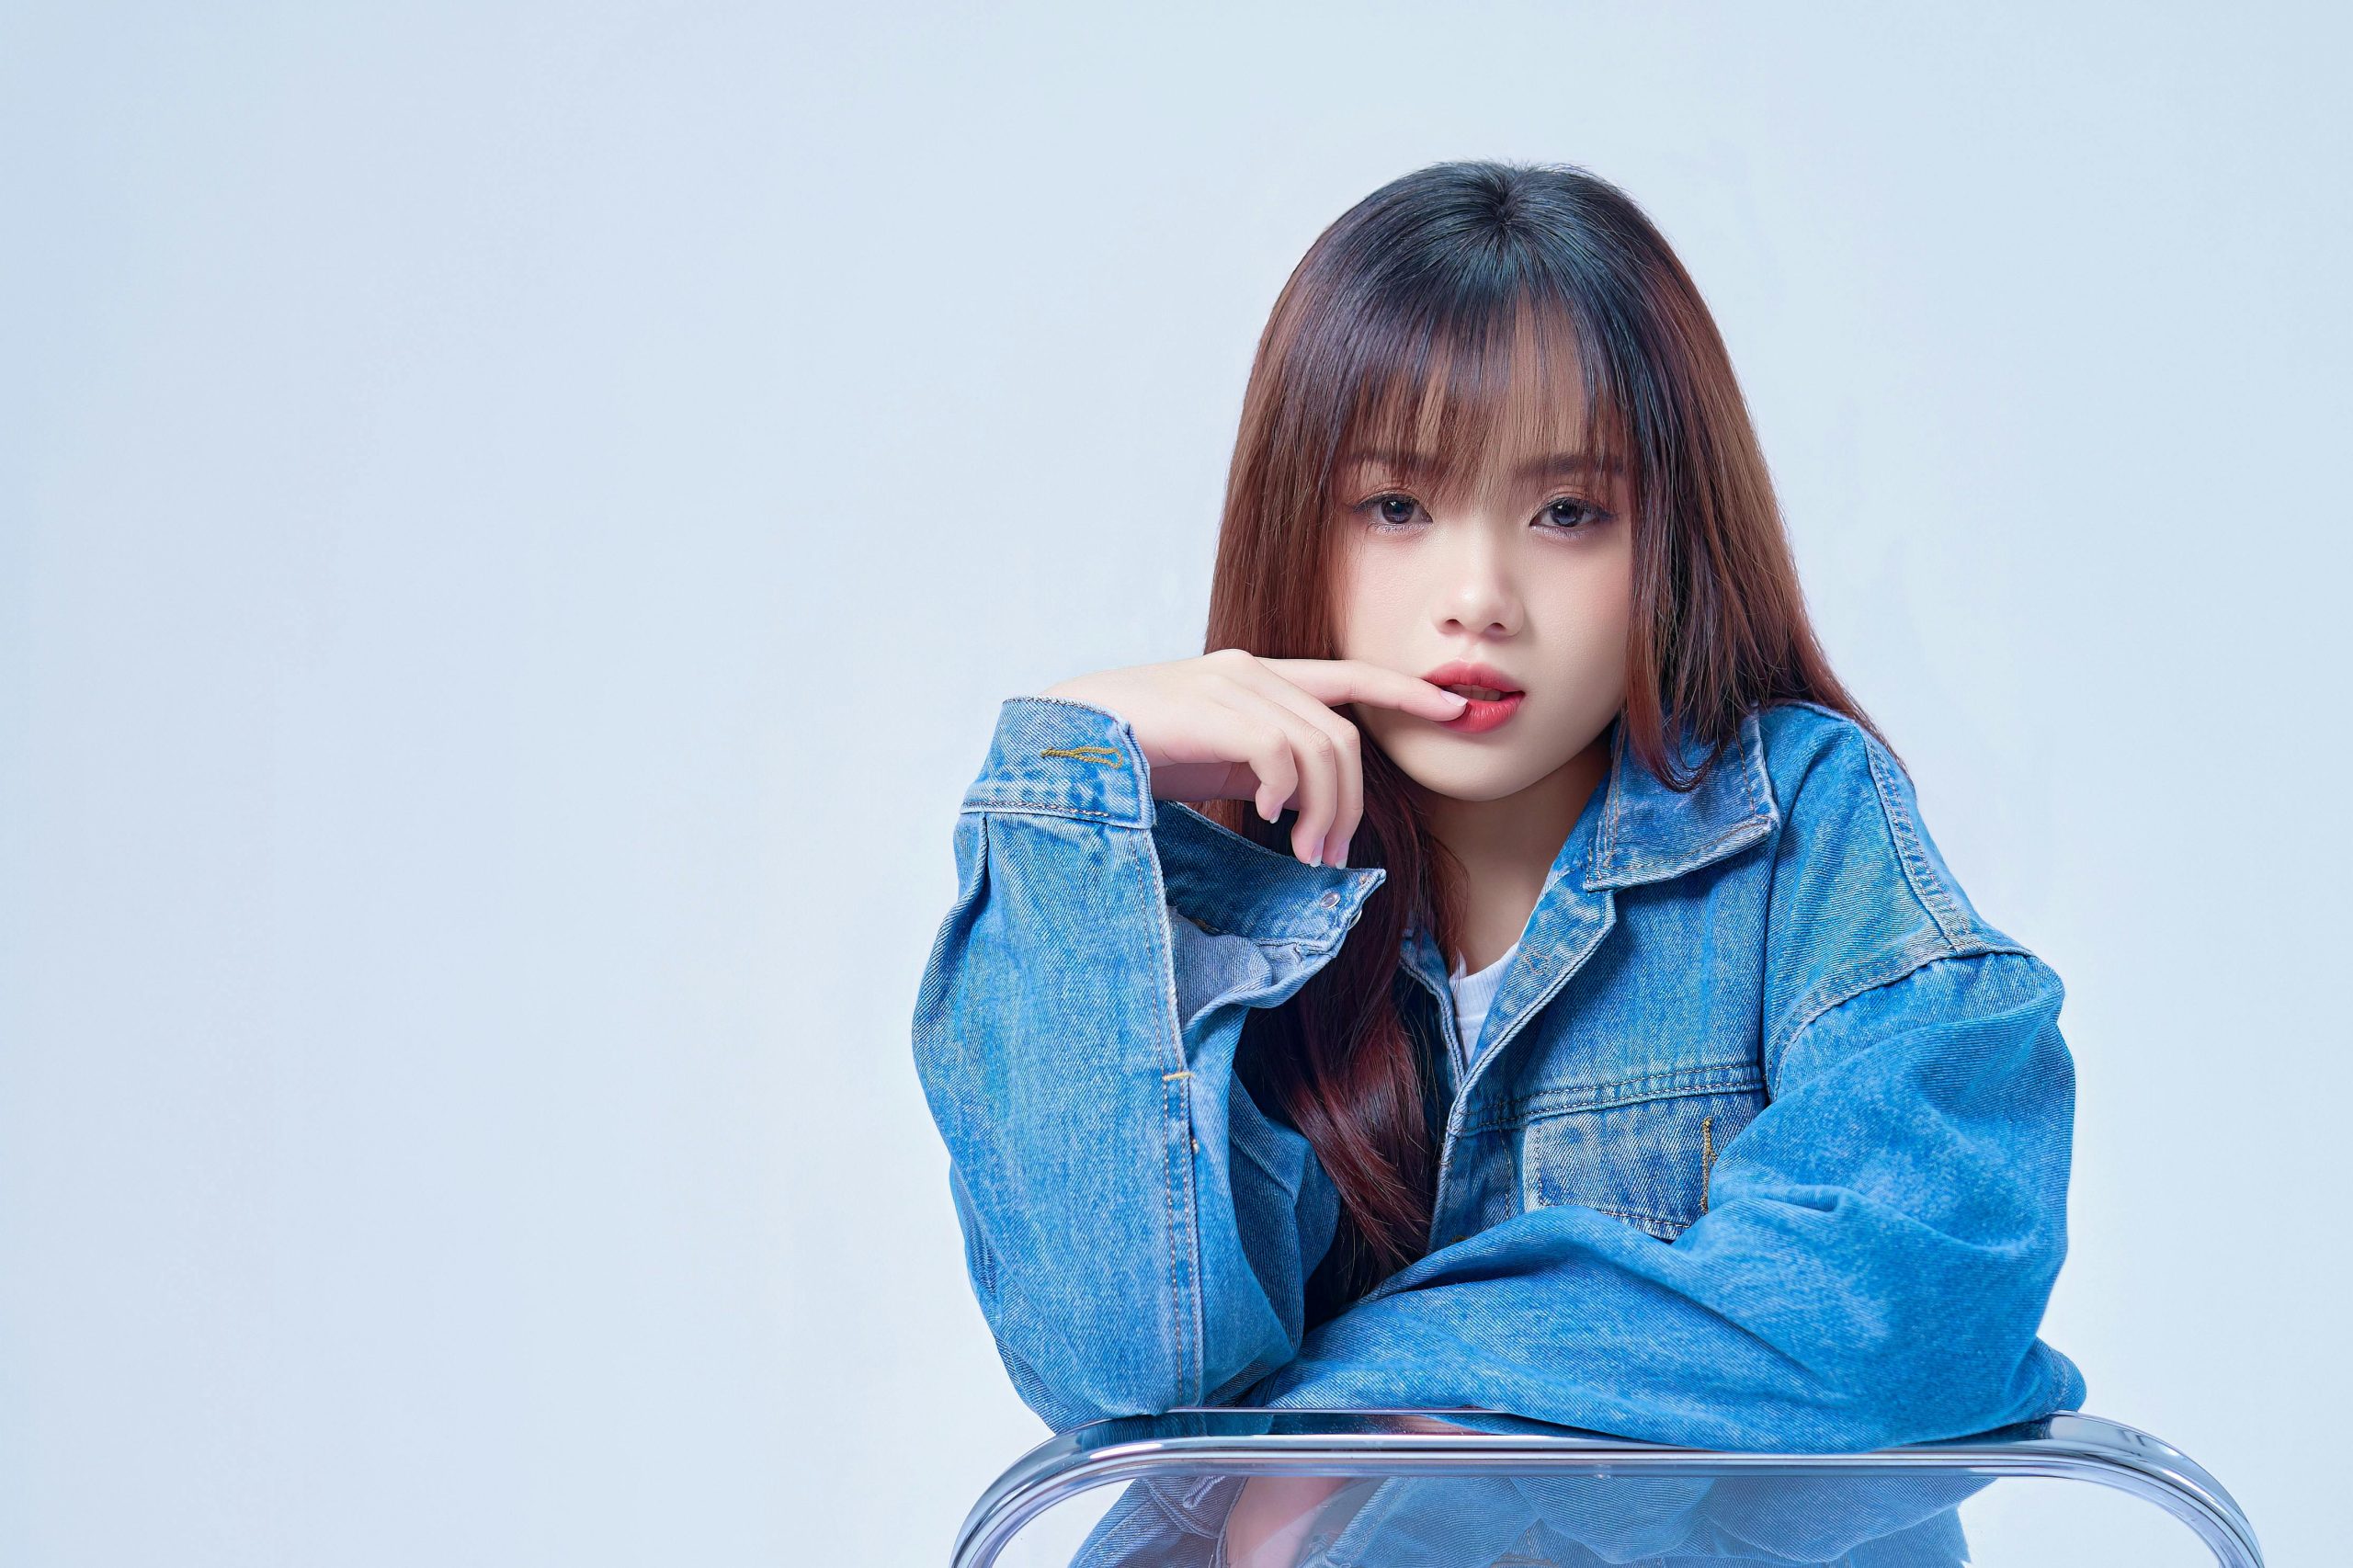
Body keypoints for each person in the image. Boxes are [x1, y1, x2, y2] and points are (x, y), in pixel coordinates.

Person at [911, 158, 2086, 1564]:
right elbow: (1127, 1381)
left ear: (1671, 537)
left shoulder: (1800, 829)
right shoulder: (1215, 884)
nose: (1479, 597)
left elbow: (1912, 1294)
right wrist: (1074, 782)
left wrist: (1387, 1412)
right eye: (1397, 506)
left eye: (1567, 512)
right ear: (1307, 522)